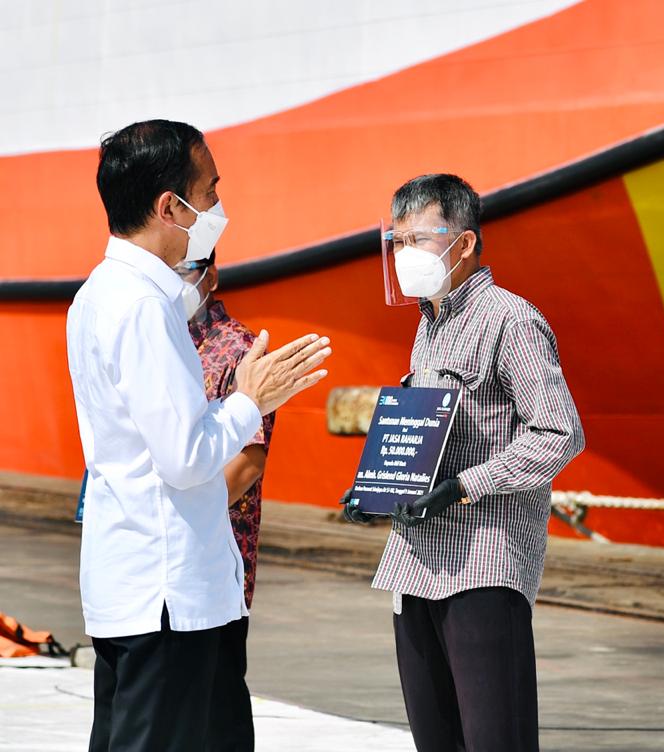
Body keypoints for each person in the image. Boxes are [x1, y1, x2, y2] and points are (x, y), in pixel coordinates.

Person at [67, 119, 331, 752]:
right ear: (169, 208)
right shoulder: (142, 307)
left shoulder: (99, 295)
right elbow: (186, 459)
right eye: (209, 192)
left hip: (137, 582)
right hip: (166, 593)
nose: (218, 207)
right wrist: (250, 400)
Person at [343, 174, 585, 752]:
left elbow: (559, 432)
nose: (405, 256)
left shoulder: (511, 320)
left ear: (465, 242)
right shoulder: (428, 326)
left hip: (483, 563)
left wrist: (462, 488)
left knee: (493, 740)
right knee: (436, 740)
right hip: (414, 564)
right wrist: (375, 491)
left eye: (418, 240)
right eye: (397, 242)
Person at [177, 249, 275, 751]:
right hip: (168, 562)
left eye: (184, 272)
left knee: (217, 703)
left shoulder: (238, 349)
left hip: (217, 556)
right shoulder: (165, 344)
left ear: (210, 275)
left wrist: (188, 516)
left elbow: (247, 463)